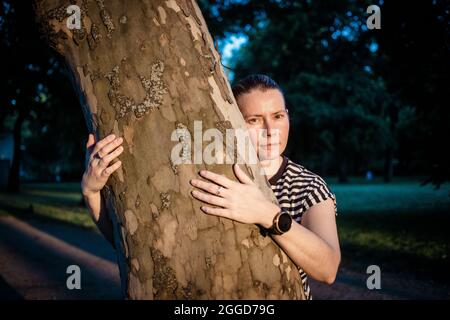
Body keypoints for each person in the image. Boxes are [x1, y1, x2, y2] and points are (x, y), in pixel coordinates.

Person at [81, 74, 340, 300]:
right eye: (254, 120)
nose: (270, 130)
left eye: (278, 116)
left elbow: (328, 269)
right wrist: (91, 192)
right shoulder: (212, 176)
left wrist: (267, 214)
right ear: (234, 124)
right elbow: (133, 244)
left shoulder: (309, 186)